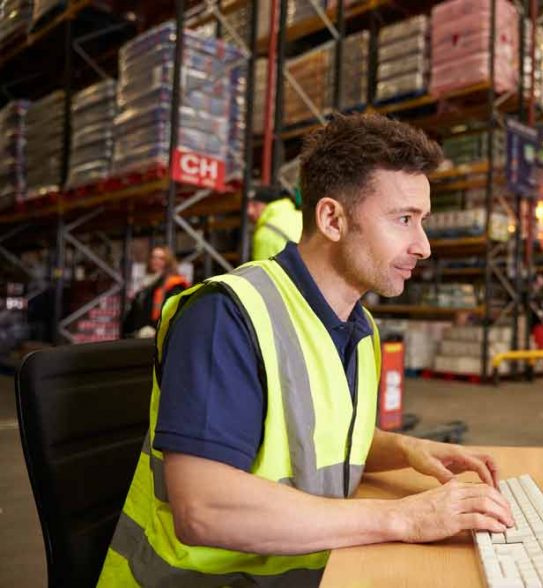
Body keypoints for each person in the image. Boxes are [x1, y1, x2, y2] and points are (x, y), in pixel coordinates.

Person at [98, 113, 513, 586]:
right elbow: (204, 508)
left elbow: (318, 441)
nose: (424, 246)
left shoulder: (358, 327)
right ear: (332, 218)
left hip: (306, 567)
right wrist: (403, 517)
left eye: (423, 222)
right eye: (404, 220)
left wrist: (406, 448)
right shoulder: (227, 316)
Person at [121, 246, 189, 338]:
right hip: (138, 337)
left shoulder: (175, 285)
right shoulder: (145, 286)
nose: (155, 261)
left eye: (161, 258)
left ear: (168, 262)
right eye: (153, 257)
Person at [249, 184, 303, 260]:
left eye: (255, 205)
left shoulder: (265, 233)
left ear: (267, 205)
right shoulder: (301, 216)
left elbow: (262, 271)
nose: (249, 211)